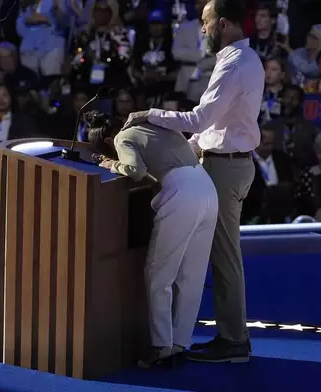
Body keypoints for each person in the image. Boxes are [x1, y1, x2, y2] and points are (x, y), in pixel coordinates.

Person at [121, 0, 264, 363]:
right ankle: (225, 337)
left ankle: (234, 340)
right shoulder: (243, 60)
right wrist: (182, 149)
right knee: (216, 255)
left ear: (226, 25)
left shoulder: (234, 63)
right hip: (225, 163)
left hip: (225, 169)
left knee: (224, 256)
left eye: (207, 21)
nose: (202, 29)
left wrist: (148, 114)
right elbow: (216, 126)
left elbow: (199, 119)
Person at [88, 111, 219, 368]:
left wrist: (109, 164)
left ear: (105, 138)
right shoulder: (154, 123)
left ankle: (161, 346)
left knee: (159, 275)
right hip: (206, 188)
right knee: (191, 275)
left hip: (181, 195)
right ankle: (179, 343)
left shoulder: (122, 137)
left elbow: (134, 171)